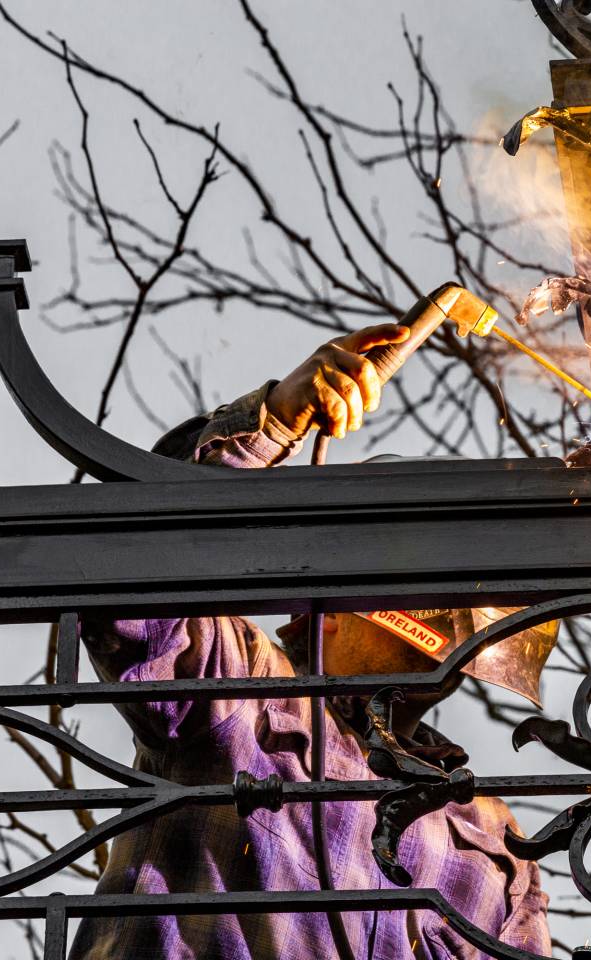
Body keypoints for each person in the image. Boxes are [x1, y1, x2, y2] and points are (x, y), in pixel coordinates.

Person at [71, 321, 553, 960]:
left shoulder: (492, 844)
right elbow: (132, 573)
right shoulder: (242, 693)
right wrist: (270, 424)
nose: (450, 621)